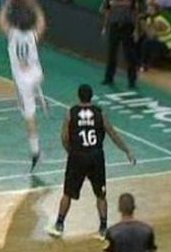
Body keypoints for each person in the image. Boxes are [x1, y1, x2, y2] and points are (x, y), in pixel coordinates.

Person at [48, 84, 136, 239]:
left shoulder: (71, 112)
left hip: (77, 156)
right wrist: (126, 150)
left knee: (68, 193)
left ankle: (59, 225)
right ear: (91, 96)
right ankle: (103, 229)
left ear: (78, 96)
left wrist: (71, 152)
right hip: (96, 157)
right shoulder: (99, 113)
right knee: (100, 194)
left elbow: (64, 137)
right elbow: (112, 133)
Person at [0, 0, 46, 171]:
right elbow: (42, 22)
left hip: (23, 80)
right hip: (37, 74)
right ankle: (39, 92)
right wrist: (33, 3)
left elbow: (1, 20)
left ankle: (35, 152)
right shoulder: (33, 36)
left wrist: (8, 1)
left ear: (15, 24)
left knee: (29, 116)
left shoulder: (12, 36)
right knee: (29, 90)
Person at [102, 0, 138, 88]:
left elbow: (135, 14)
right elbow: (107, 13)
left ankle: (132, 81)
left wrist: (136, 30)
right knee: (111, 53)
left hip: (127, 27)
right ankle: (108, 78)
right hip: (114, 27)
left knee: (129, 55)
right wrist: (105, 26)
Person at [138, 3, 171, 71]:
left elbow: (152, 35)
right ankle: (141, 63)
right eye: (148, 9)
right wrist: (142, 25)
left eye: (151, 10)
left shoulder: (159, 20)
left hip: (166, 45)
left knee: (146, 42)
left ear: (156, 11)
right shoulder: (149, 19)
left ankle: (144, 64)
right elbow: (148, 34)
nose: (148, 11)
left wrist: (143, 24)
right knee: (141, 40)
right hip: (157, 42)